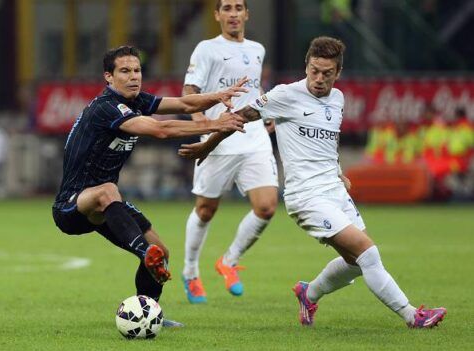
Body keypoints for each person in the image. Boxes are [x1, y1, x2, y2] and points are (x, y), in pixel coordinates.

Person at [179, 36, 447, 329]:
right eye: (314, 71)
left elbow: (328, 141)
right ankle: (412, 316)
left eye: (326, 73)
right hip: (306, 196)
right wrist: (206, 144)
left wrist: (338, 171)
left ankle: (310, 293)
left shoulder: (338, 99)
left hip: (334, 190)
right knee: (368, 253)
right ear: (306, 66)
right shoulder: (285, 95)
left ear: (338, 73)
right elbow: (238, 117)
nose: (319, 79)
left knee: (356, 263)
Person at [51, 46, 246, 326]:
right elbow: (161, 129)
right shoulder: (106, 108)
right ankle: (145, 253)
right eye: (125, 71)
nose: (134, 77)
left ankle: (147, 313)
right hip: (72, 206)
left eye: (137, 70)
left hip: (107, 205)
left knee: (161, 251)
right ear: (109, 76)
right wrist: (216, 125)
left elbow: (185, 105)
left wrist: (218, 96)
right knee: (108, 191)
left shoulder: (137, 101)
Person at [180, 0, 279, 303]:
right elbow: (189, 92)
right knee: (206, 210)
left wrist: (267, 110)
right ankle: (190, 272)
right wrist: (202, 125)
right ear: (218, 15)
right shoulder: (206, 49)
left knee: (267, 207)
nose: (233, 13)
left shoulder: (257, 49)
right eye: (227, 8)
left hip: (253, 137)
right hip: (219, 137)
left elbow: (253, 90)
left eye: (238, 7)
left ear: (246, 13)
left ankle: (229, 261)